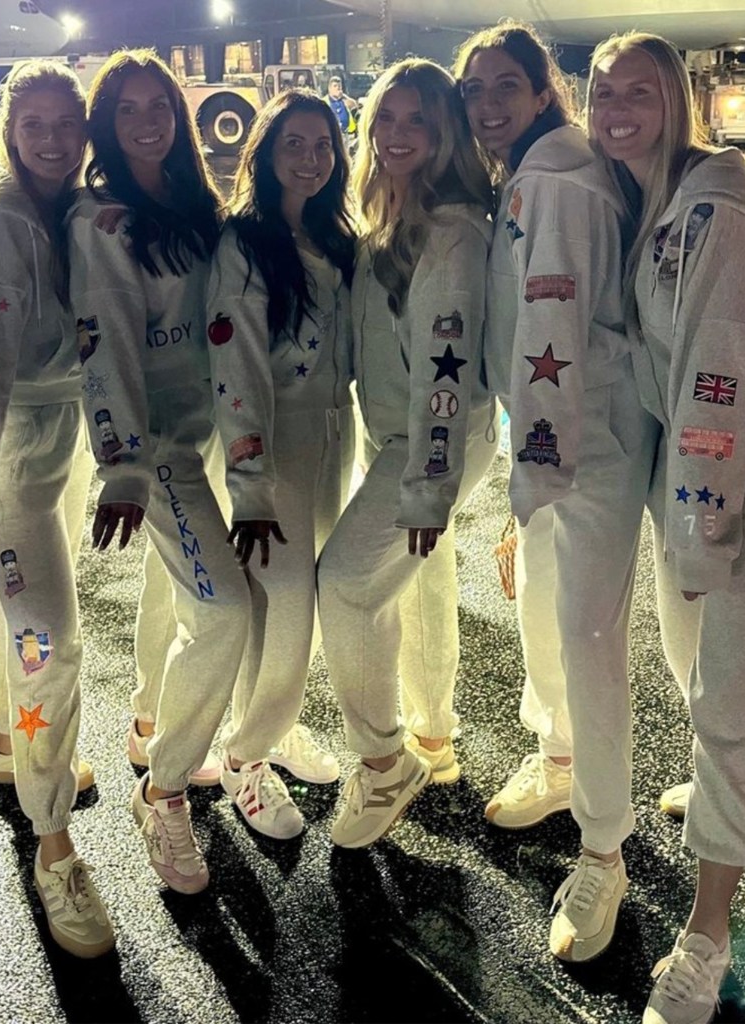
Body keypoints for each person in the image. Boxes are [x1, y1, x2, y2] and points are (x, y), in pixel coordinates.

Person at [589, 32, 745, 1023]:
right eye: (603, 91)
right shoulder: (646, 197)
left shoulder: (716, 211)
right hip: (703, 453)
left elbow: (721, 379)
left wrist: (699, 526)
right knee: (688, 643)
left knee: (735, 675)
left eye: (638, 93)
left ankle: (706, 931)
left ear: (678, 102)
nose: (615, 109)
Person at [453, 21, 659, 961]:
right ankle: (563, 757)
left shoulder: (555, 179)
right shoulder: (533, 172)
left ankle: (605, 847)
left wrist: (530, 474)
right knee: (545, 608)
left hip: (588, 442)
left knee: (585, 631)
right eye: (475, 91)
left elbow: (554, 332)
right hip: (550, 440)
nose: (489, 106)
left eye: (507, 86)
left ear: (543, 93)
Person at [0, 60, 114, 958]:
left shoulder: (69, 209)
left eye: (64, 125)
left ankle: (10, 743)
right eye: (33, 124)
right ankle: (53, 846)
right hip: (9, 455)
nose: (50, 140)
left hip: (62, 439)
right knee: (51, 641)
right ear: (9, 130)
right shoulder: (0, 228)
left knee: (16, 616)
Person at [69, 49, 251, 894]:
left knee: (172, 595)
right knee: (222, 611)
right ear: (106, 123)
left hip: (207, 430)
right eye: (128, 109)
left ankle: (153, 725)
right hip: (158, 452)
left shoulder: (188, 201)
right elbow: (101, 346)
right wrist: (124, 468)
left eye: (160, 106)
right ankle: (165, 788)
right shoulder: (103, 218)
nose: (148, 121)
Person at [317, 57, 498, 848]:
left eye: (418, 121)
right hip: (394, 431)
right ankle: (433, 736)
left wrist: (429, 483)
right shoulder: (384, 211)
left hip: (432, 438)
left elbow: (446, 367)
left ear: (445, 133)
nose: (397, 135)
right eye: (387, 118)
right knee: (415, 588)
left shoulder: (450, 231)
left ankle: (384, 762)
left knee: (350, 583)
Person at [208, 89, 355, 839]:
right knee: (283, 599)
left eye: (322, 145)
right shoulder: (246, 240)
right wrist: (251, 484)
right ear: (264, 154)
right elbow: (235, 367)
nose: (310, 158)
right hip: (271, 445)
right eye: (293, 144)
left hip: (334, 438)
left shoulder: (336, 237)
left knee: (299, 603)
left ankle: (275, 724)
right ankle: (244, 756)